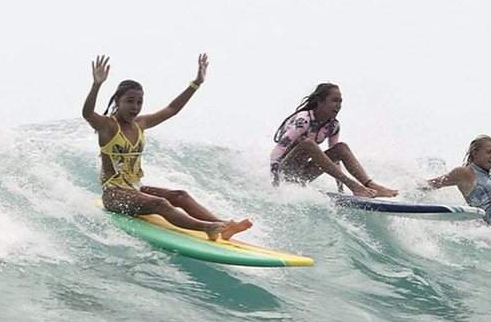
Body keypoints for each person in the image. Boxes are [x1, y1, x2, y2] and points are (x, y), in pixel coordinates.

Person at [82, 54, 252, 241]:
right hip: (114, 195)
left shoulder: (140, 123)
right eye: (129, 101)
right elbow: (88, 113)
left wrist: (196, 83)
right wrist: (96, 85)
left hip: (135, 189)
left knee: (180, 195)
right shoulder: (108, 127)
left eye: (139, 102)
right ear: (118, 102)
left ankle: (225, 226)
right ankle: (207, 227)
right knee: (161, 203)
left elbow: (172, 109)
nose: (135, 107)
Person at [270, 83, 398, 198]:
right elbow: (278, 150)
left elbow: (335, 159)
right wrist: (275, 182)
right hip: (285, 173)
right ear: (320, 102)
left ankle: (370, 184)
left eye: (340, 102)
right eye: (334, 101)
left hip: (303, 175)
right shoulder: (303, 120)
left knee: (341, 148)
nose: (338, 105)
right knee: (308, 144)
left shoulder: (333, 126)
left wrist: (340, 189)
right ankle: (354, 186)